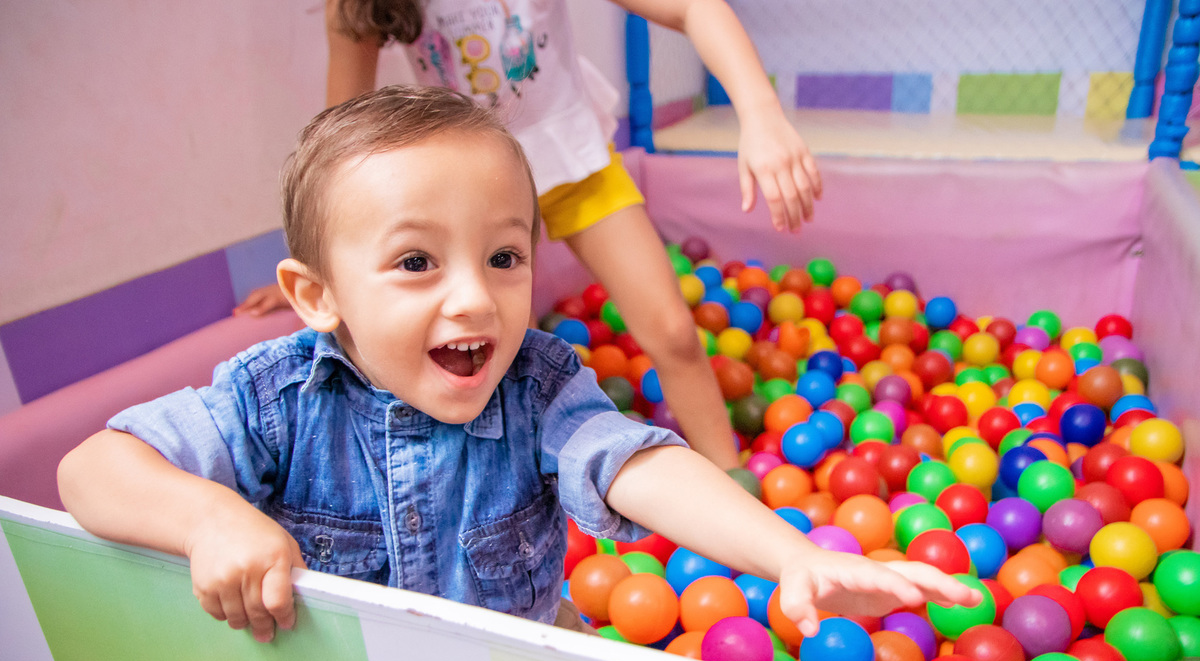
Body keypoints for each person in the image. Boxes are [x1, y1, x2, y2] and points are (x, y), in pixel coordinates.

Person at [59, 86, 974, 646]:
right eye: (416, 262)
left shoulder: (536, 387)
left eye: (504, 257)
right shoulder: (276, 399)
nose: (474, 299)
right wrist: (209, 520)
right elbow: (90, 469)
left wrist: (791, 556)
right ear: (317, 295)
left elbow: (637, 464)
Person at [235, 0, 824, 471]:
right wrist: (321, 264)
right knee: (481, 354)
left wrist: (761, 113)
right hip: (465, 193)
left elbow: (692, 7)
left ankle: (726, 480)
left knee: (671, 329)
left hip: (573, 159)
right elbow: (341, 146)